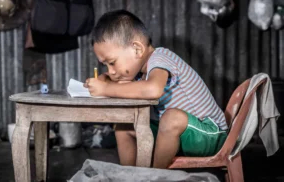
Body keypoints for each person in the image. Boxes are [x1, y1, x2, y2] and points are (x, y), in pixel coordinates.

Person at [84, 9, 228, 168]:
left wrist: (104, 89)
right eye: (105, 65)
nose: (111, 70)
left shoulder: (161, 57)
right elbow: (113, 79)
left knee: (171, 117)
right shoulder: (138, 72)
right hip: (180, 133)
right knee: (123, 127)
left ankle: (154, 176)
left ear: (137, 49)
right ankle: (130, 175)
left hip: (211, 135)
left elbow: (153, 90)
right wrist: (102, 80)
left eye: (112, 62)